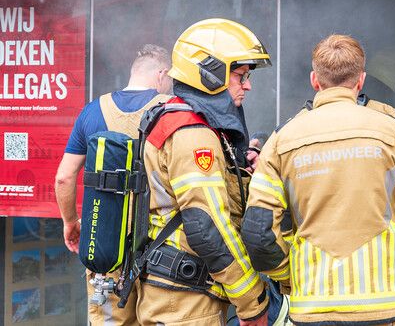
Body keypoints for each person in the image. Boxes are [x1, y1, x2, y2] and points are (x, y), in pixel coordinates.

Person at [242, 34, 395, 326]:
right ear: (361, 81)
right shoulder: (392, 128)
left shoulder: (282, 139)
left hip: (314, 308)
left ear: (314, 80)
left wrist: (290, 272)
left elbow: (259, 234)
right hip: (390, 307)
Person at [135, 18, 270, 326]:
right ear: (209, 73)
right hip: (184, 305)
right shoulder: (193, 134)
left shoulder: (182, 120)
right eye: (240, 76)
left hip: (177, 297)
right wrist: (254, 302)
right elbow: (208, 229)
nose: (247, 85)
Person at [55, 44, 172, 326]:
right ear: (162, 74)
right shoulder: (171, 111)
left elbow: (63, 177)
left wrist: (70, 222)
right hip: (162, 250)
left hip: (107, 244)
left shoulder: (92, 111)